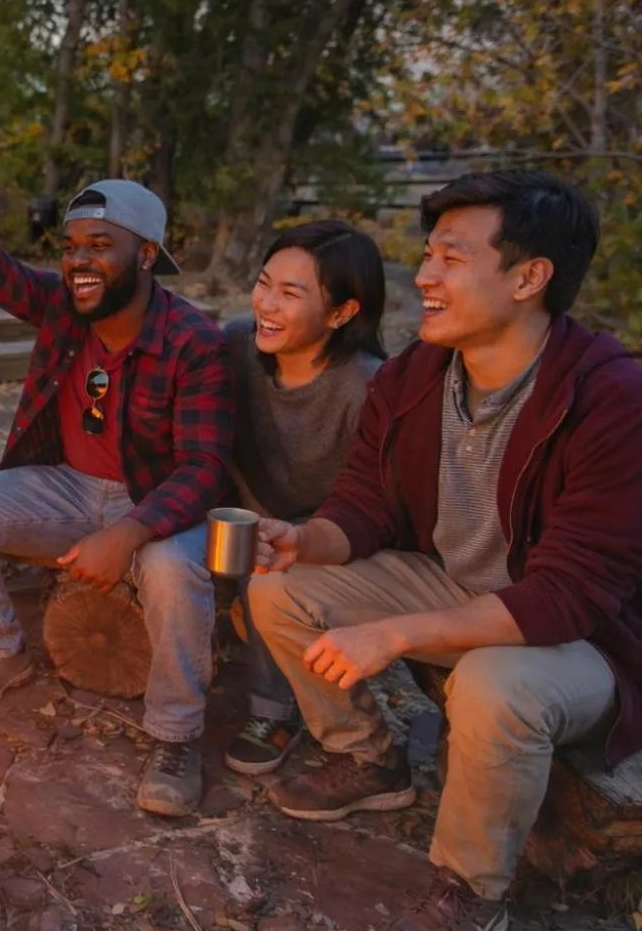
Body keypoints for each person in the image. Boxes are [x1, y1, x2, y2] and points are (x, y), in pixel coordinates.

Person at [247, 170, 642, 931]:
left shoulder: (609, 398)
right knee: (280, 588)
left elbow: (569, 596)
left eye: (452, 258)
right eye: (428, 255)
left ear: (529, 278)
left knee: (495, 684)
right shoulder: (417, 375)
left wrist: (395, 635)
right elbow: (366, 503)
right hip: (459, 590)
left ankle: (471, 893)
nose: (425, 276)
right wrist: (306, 538)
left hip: (583, 642)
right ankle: (369, 759)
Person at [0, 98, 234, 817]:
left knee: (172, 570)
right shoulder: (64, 306)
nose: (78, 261)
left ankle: (176, 734)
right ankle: (1, 650)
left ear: (146, 255)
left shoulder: (194, 341)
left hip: (153, 502)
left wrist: (127, 533)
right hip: (66, 487)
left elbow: (204, 468)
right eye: (70, 246)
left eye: (99, 245)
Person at [220, 221, 387, 776]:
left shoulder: (366, 387)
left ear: (341, 313)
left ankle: (274, 712)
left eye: (290, 294)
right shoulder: (235, 345)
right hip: (238, 513)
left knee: (268, 572)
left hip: (321, 535)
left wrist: (306, 536)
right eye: (264, 283)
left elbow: (376, 502)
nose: (267, 304)